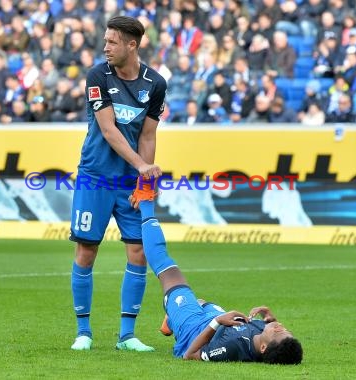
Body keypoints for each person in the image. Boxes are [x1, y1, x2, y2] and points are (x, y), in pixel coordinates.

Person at [69, 16, 167, 352]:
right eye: (106, 40)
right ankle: (84, 331)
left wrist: (144, 181)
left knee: (138, 252)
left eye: (112, 41)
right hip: (94, 176)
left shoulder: (155, 83)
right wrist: (142, 164)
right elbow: (109, 129)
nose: (105, 46)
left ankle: (127, 335)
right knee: (86, 250)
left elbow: (149, 134)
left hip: (128, 183)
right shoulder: (98, 75)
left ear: (132, 45)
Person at [128, 179, 303, 364]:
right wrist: (270, 318)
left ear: (263, 348)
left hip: (193, 327)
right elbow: (273, 333)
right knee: (200, 302)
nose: (279, 327)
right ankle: (171, 318)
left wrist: (217, 322)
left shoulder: (232, 348)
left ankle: (146, 203)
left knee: (167, 269)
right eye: (285, 329)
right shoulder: (265, 336)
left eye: (277, 332)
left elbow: (191, 355)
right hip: (215, 317)